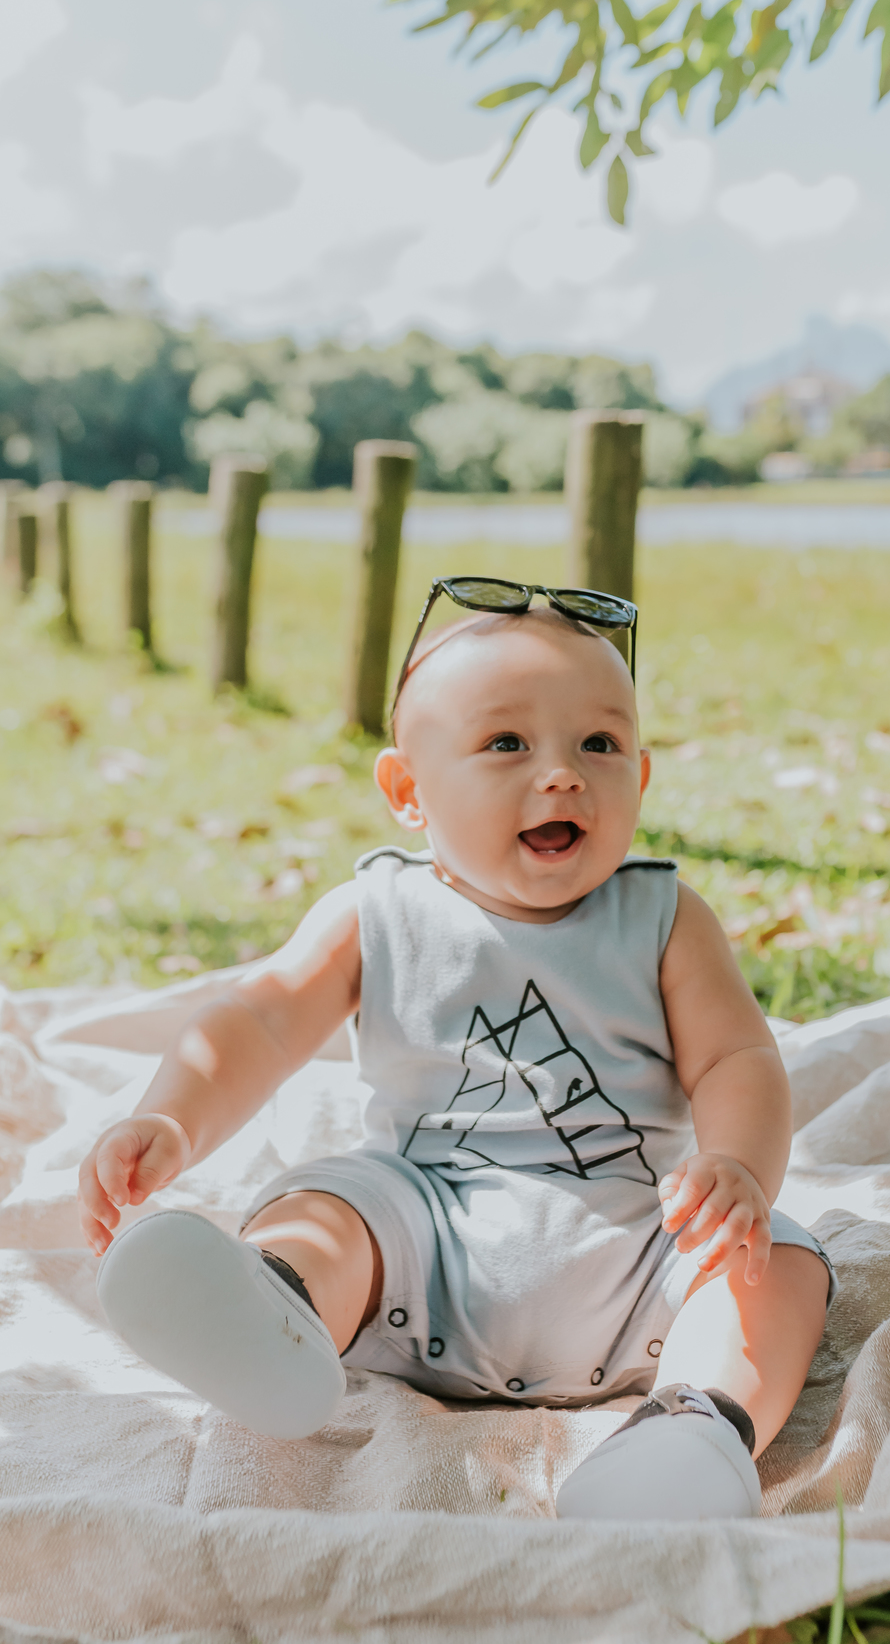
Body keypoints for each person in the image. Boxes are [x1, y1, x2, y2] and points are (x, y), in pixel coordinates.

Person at [79, 579, 835, 1521]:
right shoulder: (378, 913)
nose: (561, 774)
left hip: (637, 1254)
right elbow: (259, 1021)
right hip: (423, 1240)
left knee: (780, 1262)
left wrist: (738, 1169)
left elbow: (737, 1061)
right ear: (408, 790)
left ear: (640, 777)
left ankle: (694, 1423)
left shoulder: (666, 917)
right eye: (507, 743)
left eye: (599, 744)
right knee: (329, 1202)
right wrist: (172, 1117)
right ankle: (277, 1312)